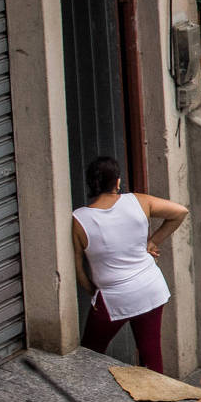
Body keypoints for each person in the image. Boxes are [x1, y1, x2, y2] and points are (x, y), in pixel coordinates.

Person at [72, 156, 187, 374]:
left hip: (113, 295)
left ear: (90, 184)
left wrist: (93, 293)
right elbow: (180, 212)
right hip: (150, 286)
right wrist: (153, 241)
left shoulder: (79, 219)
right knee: (151, 356)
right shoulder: (138, 201)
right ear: (117, 182)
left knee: (89, 354)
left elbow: (78, 267)